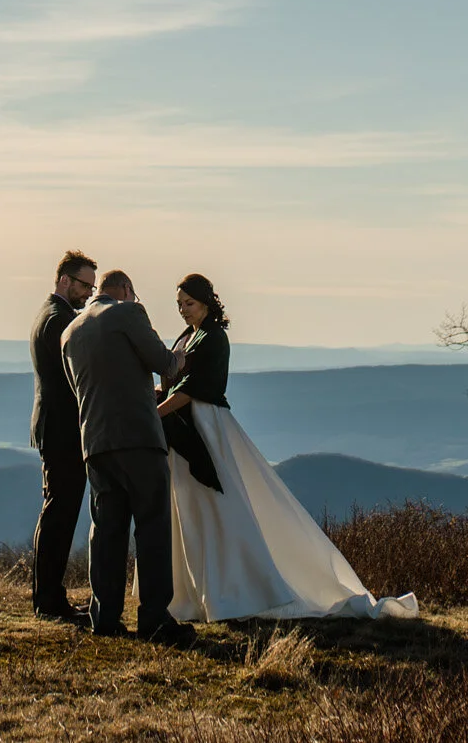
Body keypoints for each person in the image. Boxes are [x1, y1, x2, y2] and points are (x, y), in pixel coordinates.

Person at [160, 273, 418, 622]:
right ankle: (201, 589)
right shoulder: (190, 335)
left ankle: (233, 587)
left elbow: (192, 387)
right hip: (187, 426)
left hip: (207, 425)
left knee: (222, 503)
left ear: (206, 301)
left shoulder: (214, 337)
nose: (183, 311)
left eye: (188, 303)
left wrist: (154, 412)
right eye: (179, 305)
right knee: (195, 504)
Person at [58, 269, 196, 647]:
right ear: (125, 291)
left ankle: (104, 616)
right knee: (152, 526)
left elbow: (82, 388)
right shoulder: (128, 313)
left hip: (96, 443)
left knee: (106, 531)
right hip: (137, 437)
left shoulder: (70, 332)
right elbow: (163, 362)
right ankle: (153, 619)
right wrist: (179, 357)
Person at [26, 249, 96, 624]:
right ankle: (50, 602)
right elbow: (77, 376)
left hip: (53, 427)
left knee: (57, 511)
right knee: (60, 514)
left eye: (93, 286)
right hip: (64, 430)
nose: (89, 293)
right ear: (65, 280)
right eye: (84, 285)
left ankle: (49, 597)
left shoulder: (47, 314)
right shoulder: (61, 320)